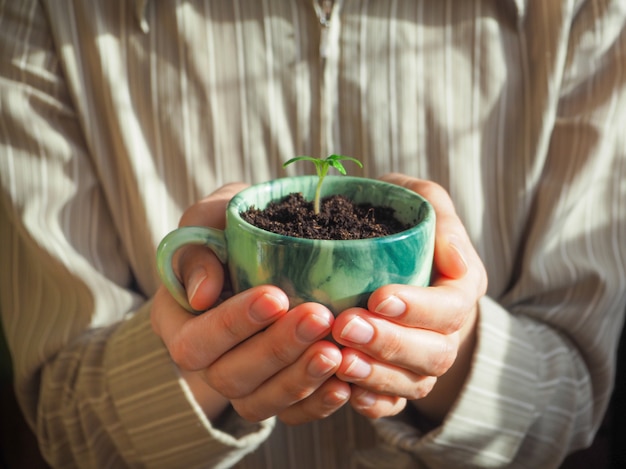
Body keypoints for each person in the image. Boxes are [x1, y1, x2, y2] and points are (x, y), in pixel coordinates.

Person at [1, 0, 625, 468]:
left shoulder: (581, 12)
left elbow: (574, 392)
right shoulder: (43, 14)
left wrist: (452, 349)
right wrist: (195, 361)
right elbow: (66, 420)